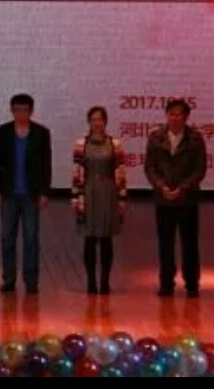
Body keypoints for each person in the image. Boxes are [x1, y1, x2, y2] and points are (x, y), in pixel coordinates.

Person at [144, 98, 208, 298]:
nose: (175, 118)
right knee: (165, 244)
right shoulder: (156, 137)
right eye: (171, 114)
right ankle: (166, 283)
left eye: (179, 114)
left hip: (187, 199)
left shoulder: (195, 139)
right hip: (163, 199)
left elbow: (199, 169)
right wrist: (161, 186)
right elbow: (150, 167)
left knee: (190, 244)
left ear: (186, 117)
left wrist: (182, 188)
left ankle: (192, 284)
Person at [0, 93, 52, 295]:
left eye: (24, 110)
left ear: (31, 111)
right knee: (7, 239)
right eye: (17, 110)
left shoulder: (41, 133)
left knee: (31, 238)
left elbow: (46, 164)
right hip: (9, 193)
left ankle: (31, 281)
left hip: (31, 194)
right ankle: (8, 279)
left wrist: (45, 192)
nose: (21, 114)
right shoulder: (3, 131)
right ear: (12, 110)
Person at [71, 106, 127, 295]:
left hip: (109, 192)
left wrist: (121, 198)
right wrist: (76, 197)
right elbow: (77, 172)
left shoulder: (115, 144)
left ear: (105, 121)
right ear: (89, 122)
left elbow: (121, 172)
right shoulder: (81, 144)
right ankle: (90, 282)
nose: (97, 123)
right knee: (89, 238)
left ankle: (105, 282)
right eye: (93, 119)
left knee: (106, 239)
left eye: (100, 119)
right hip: (88, 192)